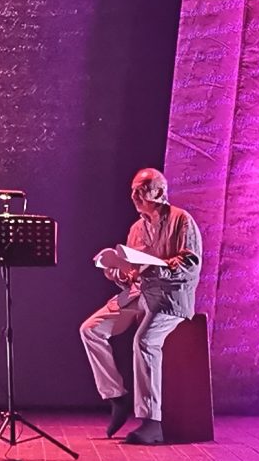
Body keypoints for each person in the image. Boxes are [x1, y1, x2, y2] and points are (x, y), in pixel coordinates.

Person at [78, 167, 202, 445]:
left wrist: (156, 268)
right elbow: (132, 273)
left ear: (160, 191)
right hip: (139, 294)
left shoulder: (181, 220)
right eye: (133, 190)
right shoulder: (137, 228)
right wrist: (118, 272)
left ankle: (152, 422)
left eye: (142, 189)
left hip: (170, 298)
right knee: (90, 330)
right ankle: (116, 397)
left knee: (145, 341)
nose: (134, 195)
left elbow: (190, 264)